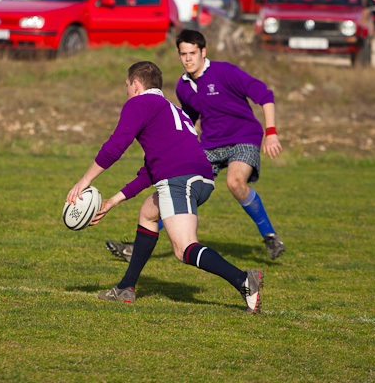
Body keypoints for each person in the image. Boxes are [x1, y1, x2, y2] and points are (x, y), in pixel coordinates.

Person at [66, 61, 264, 313]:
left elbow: (116, 146)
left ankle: (244, 281)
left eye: (127, 86)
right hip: (201, 179)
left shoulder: (138, 104)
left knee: (184, 249)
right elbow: (152, 169)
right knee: (148, 213)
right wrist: (113, 201)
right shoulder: (172, 110)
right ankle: (126, 287)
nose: (127, 91)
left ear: (135, 85)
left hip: (179, 180)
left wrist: (85, 181)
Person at [106, 29, 285, 262]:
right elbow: (187, 121)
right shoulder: (182, 86)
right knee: (179, 189)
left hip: (243, 137)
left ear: (203, 52)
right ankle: (136, 248)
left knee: (235, 182)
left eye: (192, 52)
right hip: (209, 146)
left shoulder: (225, 71)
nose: (188, 58)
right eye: (183, 54)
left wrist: (270, 133)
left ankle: (270, 236)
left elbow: (265, 95)